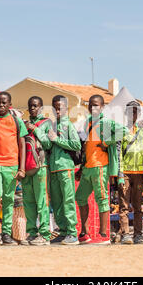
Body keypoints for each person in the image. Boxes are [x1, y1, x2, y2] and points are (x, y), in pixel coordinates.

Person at [75, 94, 127, 245]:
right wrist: (82, 166)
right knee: (80, 197)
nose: (93, 107)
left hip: (100, 166)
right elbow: (86, 146)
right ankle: (85, 233)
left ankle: (103, 235)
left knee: (102, 200)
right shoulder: (87, 122)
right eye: (90, 105)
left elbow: (123, 130)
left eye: (96, 105)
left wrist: (106, 142)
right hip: (88, 167)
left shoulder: (107, 122)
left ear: (103, 107)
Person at [0, 92, 27, 245]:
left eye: (4, 103)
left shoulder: (17, 121)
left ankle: (6, 233)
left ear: (10, 104)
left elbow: (22, 145)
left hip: (12, 165)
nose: (1, 105)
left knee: (9, 198)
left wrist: (22, 168)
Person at [48, 95, 81, 245]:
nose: (57, 110)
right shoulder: (53, 125)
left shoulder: (69, 125)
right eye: (55, 108)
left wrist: (56, 139)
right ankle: (62, 231)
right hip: (54, 168)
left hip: (65, 166)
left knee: (68, 200)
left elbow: (77, 145)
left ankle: (72, 233)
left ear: (66, 109)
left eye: (60, 107)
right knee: (57, 202)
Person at [22, 96, 53, 245]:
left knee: (42, 202)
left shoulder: (47, 123)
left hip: (41, 166)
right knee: (28, 202)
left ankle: (45, 234)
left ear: (41, 108)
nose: (33, 109)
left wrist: (36, 130)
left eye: (35, 106)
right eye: (30, 106)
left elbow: (48, 144)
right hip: (26, 168)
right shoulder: (24, 124)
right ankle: (32, 233)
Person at [117, 101, 143, 245]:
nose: (133, 114)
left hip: (140, 173)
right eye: (130, 111)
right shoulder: (120, 130)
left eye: (135, 111)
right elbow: (118, 154)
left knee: (138, 206)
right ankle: (125, 235)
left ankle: (138, 234)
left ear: (139, 113)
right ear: (125, 113)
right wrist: (120, 174)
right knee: (124, 206)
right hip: (126, 173)